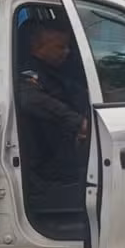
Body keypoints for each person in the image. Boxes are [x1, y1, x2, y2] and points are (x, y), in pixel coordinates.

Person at [16, 19, 89, 206]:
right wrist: (77, 122)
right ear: (37, 47)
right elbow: (30, 99)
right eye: (60, 47)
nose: (67, 52)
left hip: (64, 154)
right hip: (46, 164)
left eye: (67, 46)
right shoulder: (28, 71)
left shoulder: (60, 69)